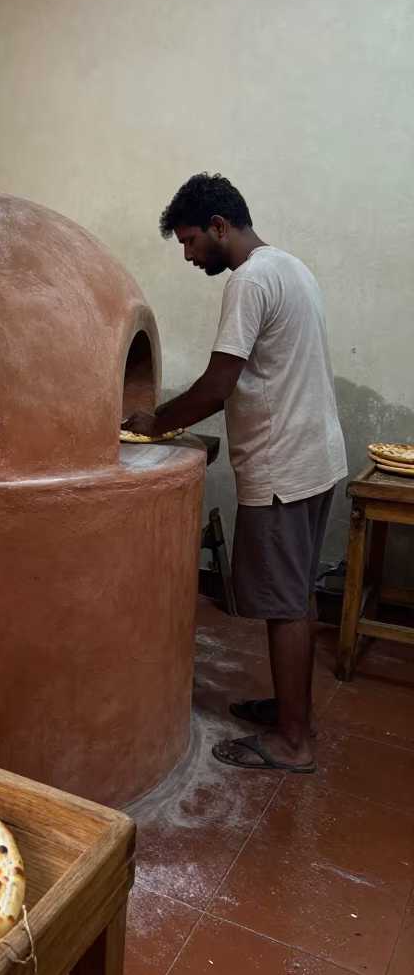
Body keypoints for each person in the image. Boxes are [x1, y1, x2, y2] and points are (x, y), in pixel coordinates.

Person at [123, 173, 347, 773]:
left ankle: (292, 743)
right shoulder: (290, 267)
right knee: (295, 592)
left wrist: (154, 424)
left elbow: (219, 386)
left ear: (220, 226)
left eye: (193, 241)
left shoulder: (249, 282)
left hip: (282, 467)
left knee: (284, 603)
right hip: (317, 455)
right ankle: (290, 711)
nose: (191, 255)